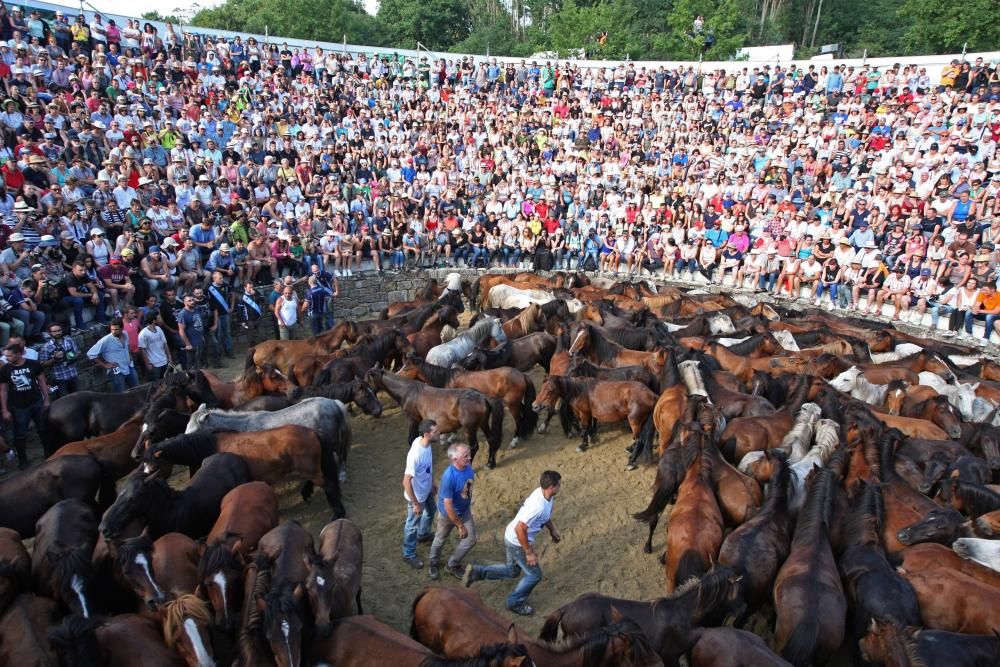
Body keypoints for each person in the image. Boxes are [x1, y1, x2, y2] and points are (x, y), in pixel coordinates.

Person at [462, 470, 562, 616]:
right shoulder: (538, 505)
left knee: (512, 571)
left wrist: (552, 530)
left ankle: (477, 572)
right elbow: (520, 528)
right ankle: (514, 602)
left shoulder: (545, 495)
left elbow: (544, 516)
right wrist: (528, 553)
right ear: (551, 487)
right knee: (535, 575)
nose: (561, 486)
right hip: (517, 541)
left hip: (511, 537)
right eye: (559, 484)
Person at [428, 442, 477, 581]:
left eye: (468, 454)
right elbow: (448, 505)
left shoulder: (468, 467)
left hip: (464, 511)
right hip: (448, 515)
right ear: (455, 459)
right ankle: (433, 563)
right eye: (465, 455)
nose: (469, 457)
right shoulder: (449, 477)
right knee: (440, 540)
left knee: (471, 539)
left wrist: (466, 503)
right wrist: (460, 526)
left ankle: (452, 564)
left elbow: (467, 487)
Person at [0, 342, 49, 469]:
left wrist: (46, 400)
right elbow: (3, 390)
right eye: (5, 356)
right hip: (18, 406)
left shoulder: (33, 364)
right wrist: (5, 409)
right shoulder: (5, 369)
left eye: (9, 356)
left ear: (18, 354)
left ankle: (48, 454)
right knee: (19, 435)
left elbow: (42, 382)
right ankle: (23, 460)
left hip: (36, 402)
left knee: (43, 430)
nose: (6, 358)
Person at [401, 419, 439, 569]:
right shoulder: (416, 454)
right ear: (426, 434)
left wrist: (432, 482)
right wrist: (416, 503)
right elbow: (406, 481)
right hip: (416, 497)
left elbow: (428, 466)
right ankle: (408, 554)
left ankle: (423, 535)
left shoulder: (425, 443)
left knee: (431, 511)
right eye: (435, 432)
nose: (439, 434)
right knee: (411, 526)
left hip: (426, 490)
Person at [87, 318, 140, 392]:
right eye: (112, 329)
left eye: (116, 329)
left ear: (122, 328)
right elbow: (90, 354)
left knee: (137, 388)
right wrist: (105, 365)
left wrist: (129, 355)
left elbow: (127, 346)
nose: (113, 332)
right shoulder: (106, 340)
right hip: (116, 369)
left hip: (129, 365)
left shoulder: (125, 333)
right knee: (119, 393)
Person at [38, 322, 80, 398]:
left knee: (77, 399)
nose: (57, 333)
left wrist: (70, 356)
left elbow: (77, 353)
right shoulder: (46, 347)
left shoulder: (69, 340)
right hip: (59, 378)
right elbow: (43, 364)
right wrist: (54, 359)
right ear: (50, 333)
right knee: (64, 401)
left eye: (59, 330)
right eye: (54, 331)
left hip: (73, 374)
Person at [137, 313, 173, 380]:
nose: (160, 319)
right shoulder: (143, 333)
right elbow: (142, 350)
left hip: (164, 361)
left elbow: (165, 343)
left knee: (166, 381)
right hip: (154, 364)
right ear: (154, 321)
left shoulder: (159, 329)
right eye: (158, 318)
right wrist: (147, 364)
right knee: (155, 385)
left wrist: (169, 357)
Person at [177, 294, 207, 370]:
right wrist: (187, 344)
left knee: (198, 362)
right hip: (191, 343)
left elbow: (199, 323)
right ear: (184, 302)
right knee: (191, 365)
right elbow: (181, 331)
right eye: (189, 301)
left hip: (199, 340)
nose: (192, 302)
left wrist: (202, 336)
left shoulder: (196, 309)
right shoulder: (183, 314)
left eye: (193, 300)